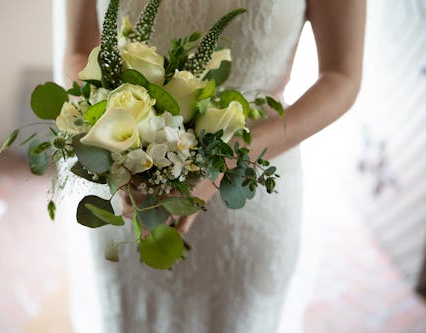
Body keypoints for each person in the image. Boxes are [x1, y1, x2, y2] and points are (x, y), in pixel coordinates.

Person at [62, 0, 365, 332]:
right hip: (128, 185)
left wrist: (231, 155)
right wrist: (129, 147)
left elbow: (341, 76)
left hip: (249, 193)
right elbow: (80, 52)